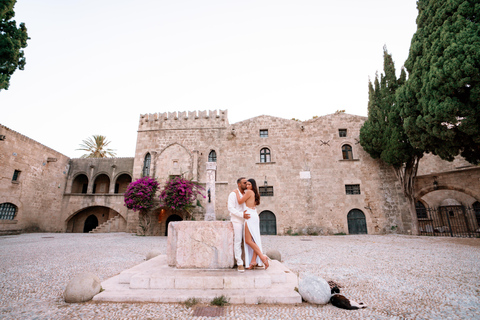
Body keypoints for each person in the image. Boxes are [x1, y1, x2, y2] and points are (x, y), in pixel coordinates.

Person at [234, 178, 269, 270]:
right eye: (247, 184)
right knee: (254, 239)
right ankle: (253, 260)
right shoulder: (253, 193)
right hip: (252, 215)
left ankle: (262, 257)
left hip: (250, 216)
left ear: (253, 185)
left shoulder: (249, 192)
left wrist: (237, 193)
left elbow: (240, 201)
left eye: (249, 184)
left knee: (248, 240)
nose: (247, 186)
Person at [228, 177, 250, 272]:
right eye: (244, 183)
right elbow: (231, 208)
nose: (246, 184)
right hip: (237, 221)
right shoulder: (233, 194)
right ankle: (239, 263)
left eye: (247, 182)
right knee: (238, 241)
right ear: (239, 184)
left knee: (248, 241)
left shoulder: (246, 193)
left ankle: (249, 261)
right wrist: (241, 215)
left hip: (246, 221)